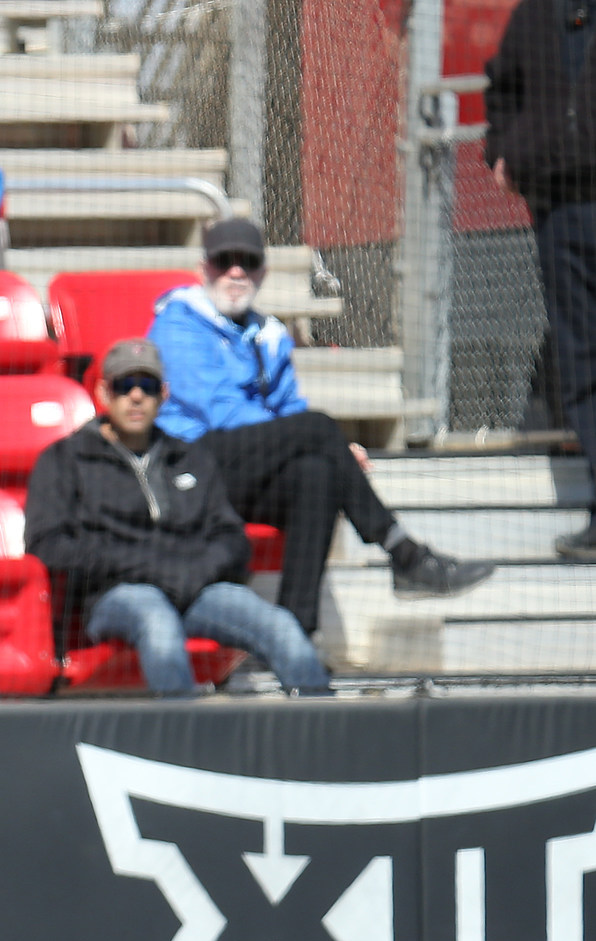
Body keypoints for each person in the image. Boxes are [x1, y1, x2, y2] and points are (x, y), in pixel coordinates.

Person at [149, 216, 492, 635]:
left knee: (318, 473)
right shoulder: (178, 320)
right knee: (318, 430)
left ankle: (294, 636)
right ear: (205, 269)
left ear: (262, 272)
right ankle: (403, 553)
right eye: (224, 261)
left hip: (242, 470)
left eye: (247, 262)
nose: (236, 272)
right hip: (186, 465)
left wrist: (320, 444)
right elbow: (219, 410)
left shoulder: (267, 333)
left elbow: (289, 408)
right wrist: (313, 437)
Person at [26, 337, 331, 699]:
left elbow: (231, 537)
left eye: (148, 386)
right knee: (156, 619)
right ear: (103, 393)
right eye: (124, 386)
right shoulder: (65, 460)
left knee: (280, 625)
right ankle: (187, 742)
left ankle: (323, 733)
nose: (136, 396)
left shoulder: (189, 458)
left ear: (164, 394)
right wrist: (147, 568)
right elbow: (48, 546)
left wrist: (196, 572)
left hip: (196, 588)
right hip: (114, 594)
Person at [484, 0, 596, 559]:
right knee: (580, 362)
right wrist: (502, 152)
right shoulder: (534, 14)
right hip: (558, 209)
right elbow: (501, 88)